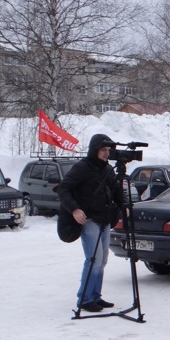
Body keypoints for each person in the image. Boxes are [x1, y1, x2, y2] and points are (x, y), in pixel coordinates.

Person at [58, 133, 125, 313]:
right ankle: (85, 299)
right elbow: (63, 188)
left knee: (102, 260)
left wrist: (123, 207)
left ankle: (95, 295)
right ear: (94, 150)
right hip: (90, 219)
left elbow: (116, 190)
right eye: (103, 150)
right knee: (93, 259)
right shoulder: (82, 167)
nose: (106, 153)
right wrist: (74, 209)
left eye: (108, 150)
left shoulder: (107, 169)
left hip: (105, 219)